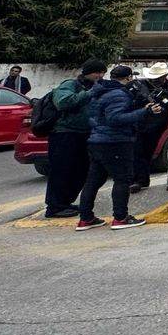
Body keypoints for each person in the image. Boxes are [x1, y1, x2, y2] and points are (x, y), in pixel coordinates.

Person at [76, 65, 146, 231]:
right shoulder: (119, 94)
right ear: (128, 77)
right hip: (115, 142)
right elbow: (116, 118)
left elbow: (92, 116)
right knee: (122, 179)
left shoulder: (99, 91)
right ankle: (120, 218)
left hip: (97, 140)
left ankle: (85, 218)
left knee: (93, 181)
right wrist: (143, 112)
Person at [42, 60, 104, 218]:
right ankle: (54, 207)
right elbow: (63, 102)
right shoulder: (70, 85)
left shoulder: (92, 87)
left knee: (81, 170)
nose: (100, 75)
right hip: (64, 134)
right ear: (87, 72)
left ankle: (65, 202)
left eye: (102, 72)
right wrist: (89, 93)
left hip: (84, 134)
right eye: (97, 72)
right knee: (62, 170)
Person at [130, 63, 168, 191]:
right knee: (137, 151)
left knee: (148, 151)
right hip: (140, 121)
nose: (156, 79)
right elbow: (133, 102)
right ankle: (137, 180)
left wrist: (167, 93)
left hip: (157, 124)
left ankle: (142, 180)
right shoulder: (141, 86)